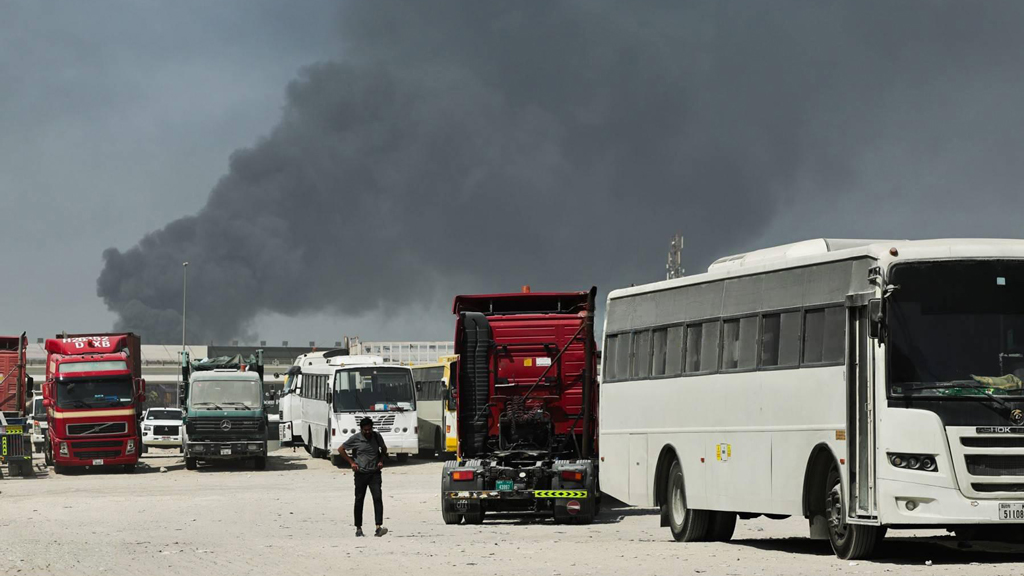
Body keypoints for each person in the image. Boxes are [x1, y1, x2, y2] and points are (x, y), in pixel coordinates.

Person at [338, 417, 388, 537]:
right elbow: (341, 449)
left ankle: (378, 527)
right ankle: (358, 528)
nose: (367, 432)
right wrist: (351, 462)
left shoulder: (376, 436)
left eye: (369, 429)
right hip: (361, 473)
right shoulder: (356, 438)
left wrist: (381, 460)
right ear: (361, 429)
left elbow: (384, 449)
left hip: (375, 473)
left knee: (377, 498)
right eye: (365, 430)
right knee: (359, 500)